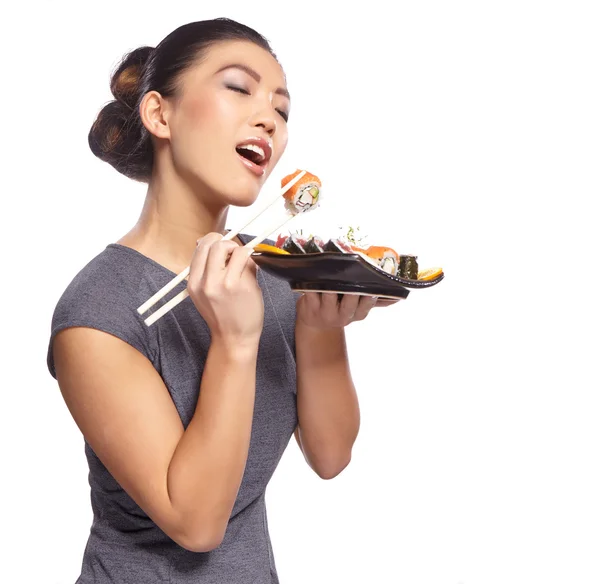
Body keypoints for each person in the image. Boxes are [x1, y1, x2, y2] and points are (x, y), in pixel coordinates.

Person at [47, 17, 389, 584]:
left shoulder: (276, 273)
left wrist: (322, 326)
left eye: (282, 110)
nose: (269, 120)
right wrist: (234, 341)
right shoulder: (99, 312)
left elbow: (331, 456)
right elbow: (196, 523)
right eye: (238, 88)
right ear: (161, 114)